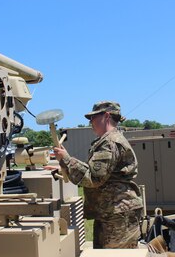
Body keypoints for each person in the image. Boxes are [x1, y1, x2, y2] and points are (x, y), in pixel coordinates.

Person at [53, 101, 143, 249]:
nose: (90, 122)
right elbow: (96, 171)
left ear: (107, 116)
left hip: (117, 214)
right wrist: (64, 164)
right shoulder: (108, 140)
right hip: (111, 212)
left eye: (94, 117)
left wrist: (67, 160)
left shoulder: (110, 142)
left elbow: (94, 178)